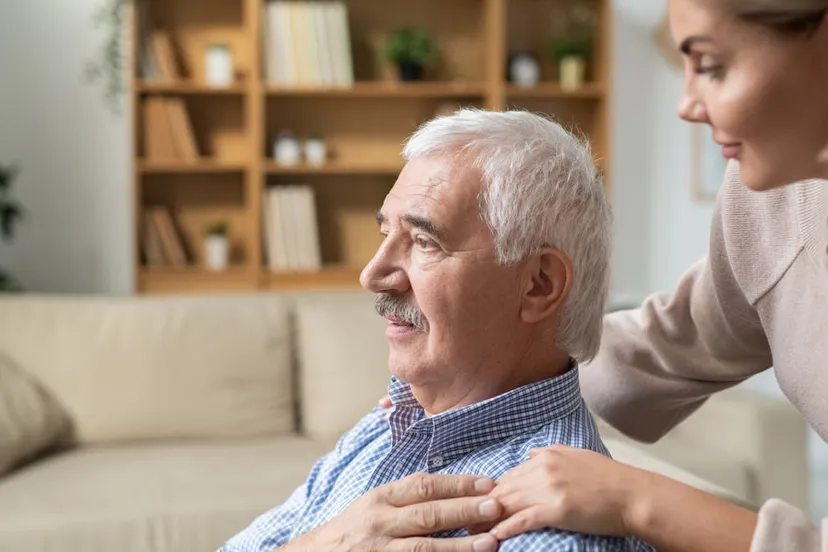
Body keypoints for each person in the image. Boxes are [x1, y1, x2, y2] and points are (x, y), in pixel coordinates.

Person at [375, 0, 828, 551]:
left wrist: (636, 499)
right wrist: (466, 381)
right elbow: (679, 339)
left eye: (711, 65)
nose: (685, 104)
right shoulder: (770, 197)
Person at [218, 109, 656, 552]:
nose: (372, 275)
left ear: (539, 284)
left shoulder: (550, 534)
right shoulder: (394, 419)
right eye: (385, 233)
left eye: (424, 242)